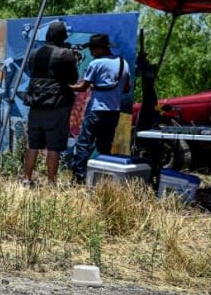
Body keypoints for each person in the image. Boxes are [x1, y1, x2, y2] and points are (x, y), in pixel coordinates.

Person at [21, 21, 79, 185]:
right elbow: (72, 79)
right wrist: (72, 58)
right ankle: (51, 183)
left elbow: (32, 73)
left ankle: (26, 179)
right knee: (53, 146)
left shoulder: (34, 53)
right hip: (57, 106)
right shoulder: (65, 54)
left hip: (35, 105)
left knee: (33, 144)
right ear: (63, 37)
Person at [70, 33, 131, 183]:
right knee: (105, 146)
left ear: (100, 49)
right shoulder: (123, 63)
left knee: (84, 144)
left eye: (92, 49)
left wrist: (67, 86)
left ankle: (79, 178)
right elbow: (126, 89)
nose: (91, 52)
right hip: (114, 111)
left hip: (96, 110)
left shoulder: (96, 64)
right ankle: (103, 178)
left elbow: (82, 88)